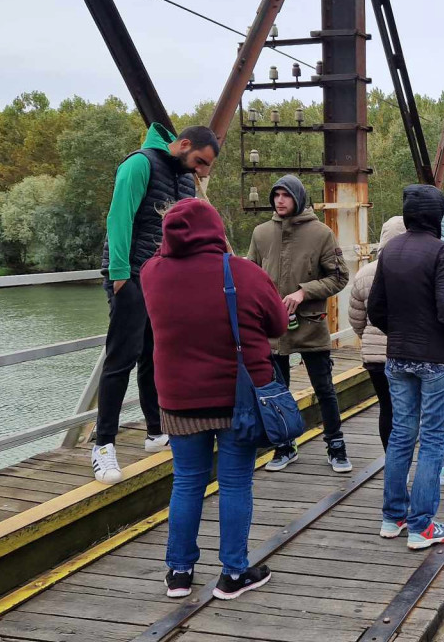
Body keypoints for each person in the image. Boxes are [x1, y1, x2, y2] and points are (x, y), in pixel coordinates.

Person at [143, 198, 282, 601]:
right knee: (235, 482)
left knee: (187, 481)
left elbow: (161, 254)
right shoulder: (244, 272)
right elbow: (275, 324)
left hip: (179, 401)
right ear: (217, 231)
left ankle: (179, 573)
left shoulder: (153, 274)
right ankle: (233, 574)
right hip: (238, 400)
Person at [93, 123, 217, 485]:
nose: (201, 171)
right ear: (183, 144)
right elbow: (119, 217)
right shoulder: (140, 164)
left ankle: (155, 431)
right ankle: (103, 446)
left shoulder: (182, 178)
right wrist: (118, 275)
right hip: (129, 274)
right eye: (199, 162)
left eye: (206, 167)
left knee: (155, 353)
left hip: (161, 278)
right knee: (122, 357)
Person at [368, 185, 444, 550]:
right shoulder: (441, 251)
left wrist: (399, 334)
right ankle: (422, 527)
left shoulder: (391, 249)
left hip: (397, 357)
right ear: (436, 215)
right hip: (436, 359)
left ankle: (392, 517)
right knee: (431, 441)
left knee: (400, 436)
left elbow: (375, 308)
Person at [349, 216, 444, 486]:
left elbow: (358, 318)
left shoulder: (364, 273)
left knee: (389, 412)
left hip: (374, 355)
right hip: (412, 350)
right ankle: (438, 466)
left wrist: (370, 339)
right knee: (428, 417)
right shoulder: (417, 264)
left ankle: (399, 470)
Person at [247, 175, 351, 473]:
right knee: (276, 392)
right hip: (272, 329)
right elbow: (252, 276)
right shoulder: (261, 233)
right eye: (276, 195)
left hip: (310, 324)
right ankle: (284, 446)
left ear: (299, 198)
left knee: (324, 389)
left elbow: (339, 277)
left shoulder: (321, 234)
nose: (280, 200)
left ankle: (336, 446)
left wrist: (304, 291)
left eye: (286, 195)